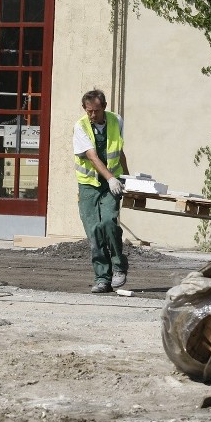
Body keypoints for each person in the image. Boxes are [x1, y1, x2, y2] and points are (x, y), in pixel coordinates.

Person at [73, 89, 129, 293]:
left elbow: (119, 150)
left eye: (96, 111)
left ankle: (119, 267)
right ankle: (102, 278)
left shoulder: (116, 121)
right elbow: (92, 156)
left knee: (109, 222)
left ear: (104, 107)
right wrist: (111, 178)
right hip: (89, 184)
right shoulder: (80, 126)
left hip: (111, 184)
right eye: (89, 111)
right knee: (94, 231)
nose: (92, 115)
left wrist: (127, 178)